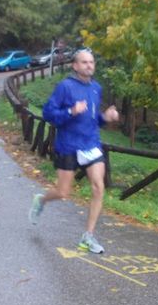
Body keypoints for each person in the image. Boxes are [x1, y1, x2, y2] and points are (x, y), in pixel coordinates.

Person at [28, 49, 119, 253]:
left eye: (91, 62)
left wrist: (107, 117)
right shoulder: (65, 87)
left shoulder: (96, 88)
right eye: (84, 62)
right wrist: (71, 111)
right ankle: (41, 200)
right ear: (75, 66)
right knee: (63, 192)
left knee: (98, 187)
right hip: (68, 145)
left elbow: (95, 120)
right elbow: (48, 114)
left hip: (91, 144)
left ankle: (88, 236)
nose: (89, 65)